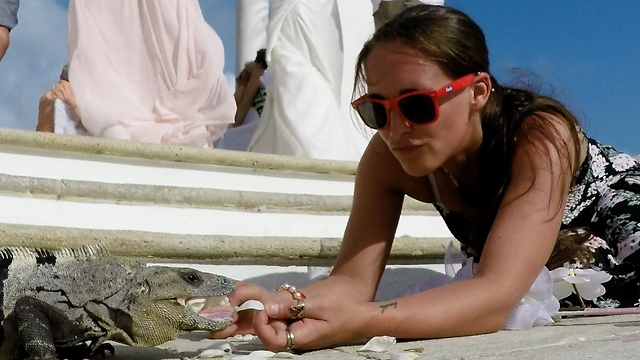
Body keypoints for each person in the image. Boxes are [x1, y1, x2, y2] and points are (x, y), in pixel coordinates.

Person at [213, 4, 640, 352]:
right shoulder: (387, 156)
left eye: (418, 105)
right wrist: (288, 303)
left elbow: (494, 297)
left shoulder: (538, 135)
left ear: (477, 92)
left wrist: (357, 323)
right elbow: (351, 283)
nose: (397, 129)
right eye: (376, 111)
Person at [36, 64, 85, 134]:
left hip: (45, 136)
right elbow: (76, 110)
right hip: (55, 137)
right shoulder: (65, 88)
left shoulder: (53, 91)